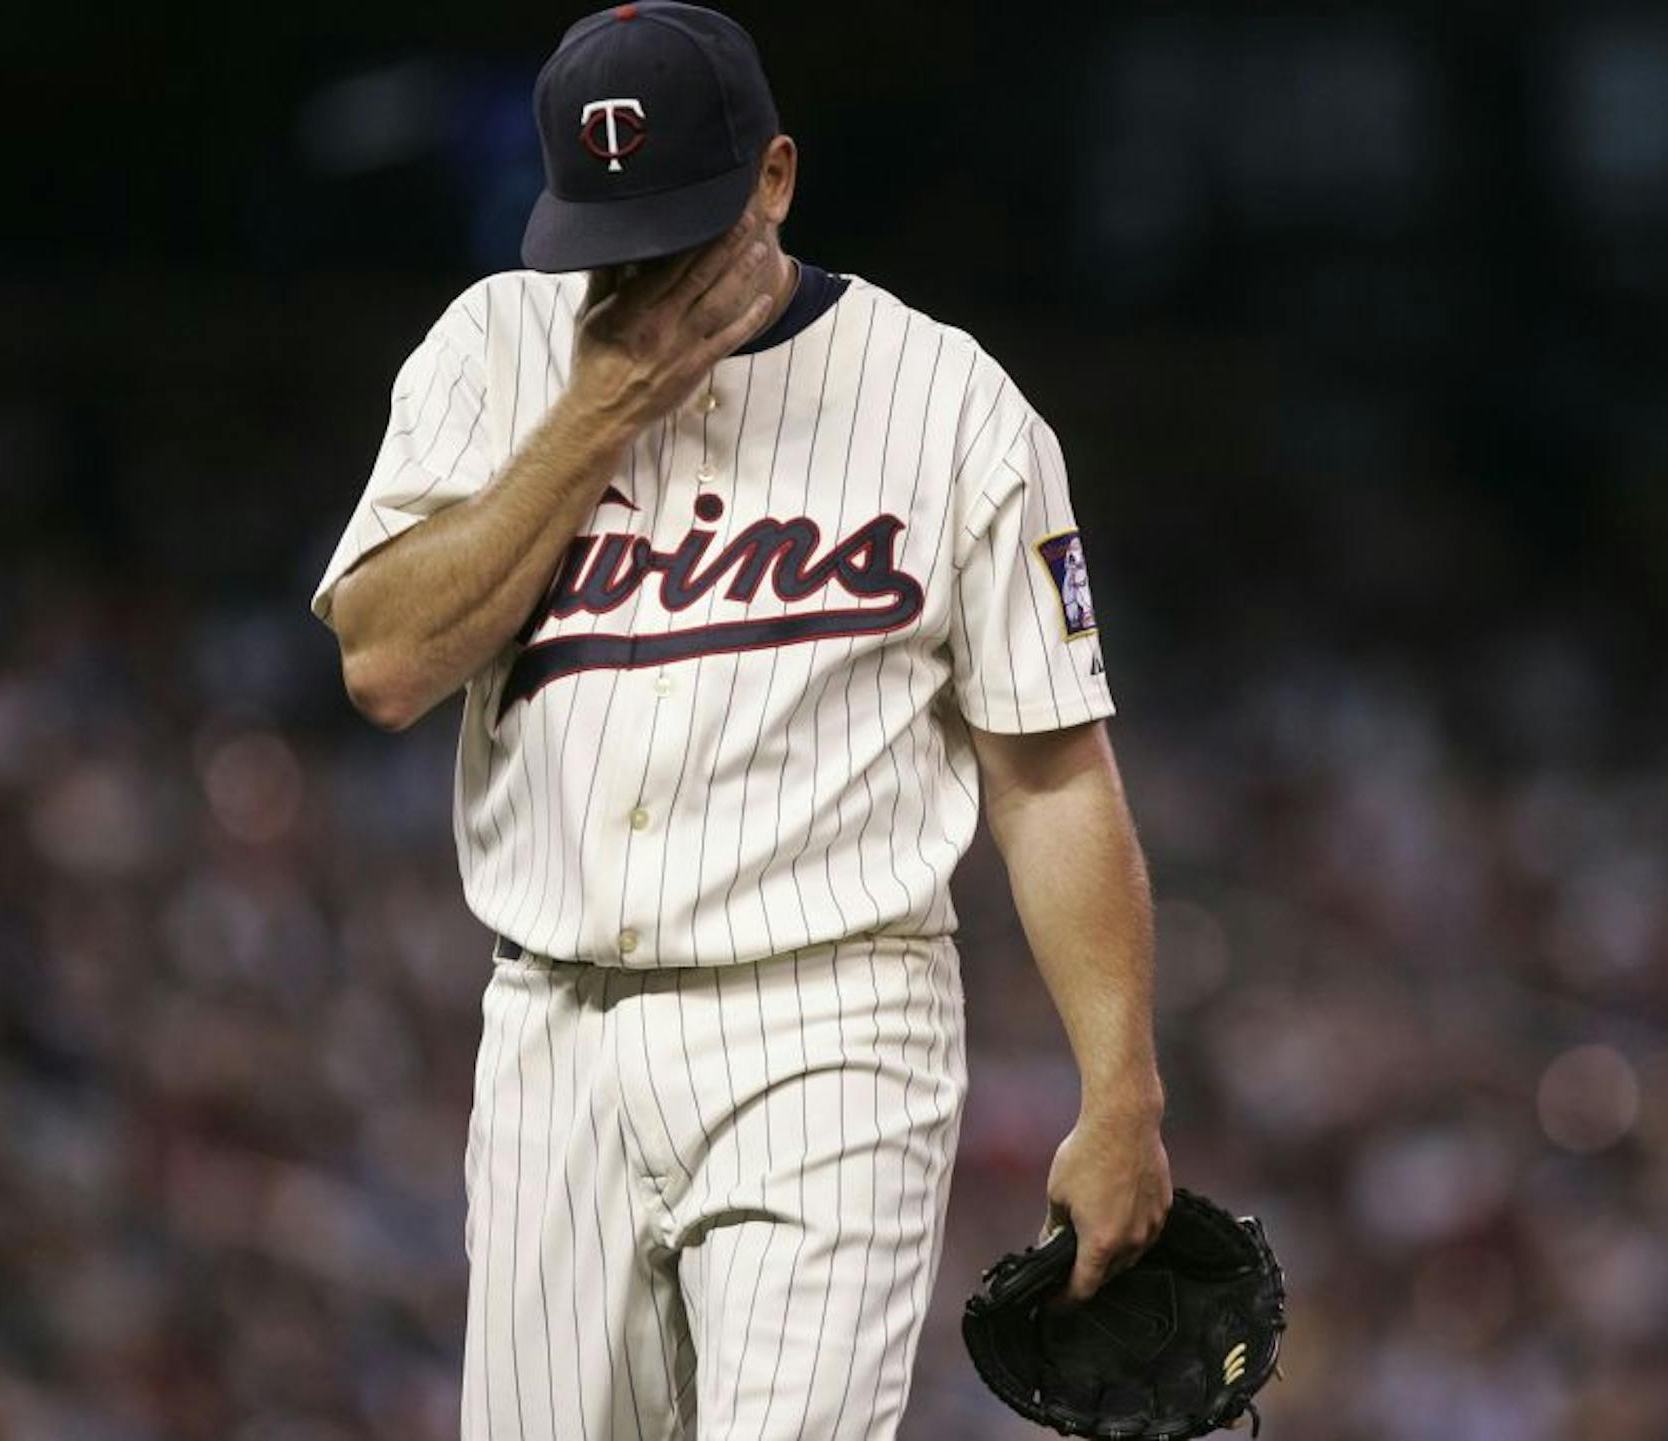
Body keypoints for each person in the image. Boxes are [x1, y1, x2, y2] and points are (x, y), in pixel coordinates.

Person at [309, 4, 1168, 1437]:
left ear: (774, 178)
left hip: (830, 1019)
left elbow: (1053, 772)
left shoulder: (946, 401)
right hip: (550, 1022)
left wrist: (1121, 1085)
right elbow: (386, 663)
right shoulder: (492, 349)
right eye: (609, 232)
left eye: (683, 222)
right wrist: (597, 411)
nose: (641, 266)